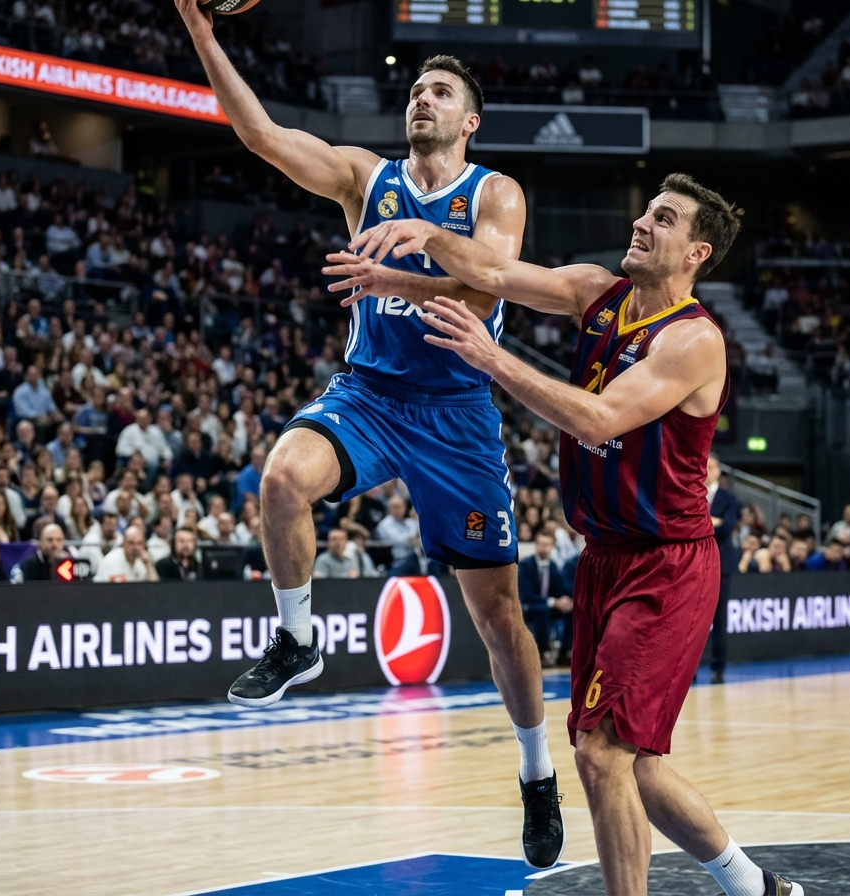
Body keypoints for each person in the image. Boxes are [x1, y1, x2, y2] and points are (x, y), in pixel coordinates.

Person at [347, 174, 801, 894]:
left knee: (599, 756)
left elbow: (597, 419)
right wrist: (416, 251)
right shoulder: (597, 291)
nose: (643, 224)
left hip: (665, 567)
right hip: (603, 560)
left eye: (664, 219)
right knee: (636, 766)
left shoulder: (693, 342)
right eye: (646, 210)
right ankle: (758, 889)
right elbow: (495, 272)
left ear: (696, 252)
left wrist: (492, 359)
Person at [174, 16, 556, 856]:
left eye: (441, 92)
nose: (423, 98)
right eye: (417, 89)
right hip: (372, 395)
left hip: (457, 412)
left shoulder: (495, 193)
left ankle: (536, 770)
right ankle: (297, 640)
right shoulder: (365, 177)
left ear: (469, 122)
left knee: (498, 622)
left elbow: (487, 292)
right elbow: (261, 135)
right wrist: (200, 28)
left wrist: (403, 262)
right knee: (281, 478)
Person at [704, 454, 739, 684]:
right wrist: (711, 521)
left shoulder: (729, 498)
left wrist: (703, 522)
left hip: (722, 564)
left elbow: (727, 526)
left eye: (710, 466)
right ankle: (688, 670)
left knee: (719, 620)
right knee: (689, 621)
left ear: (718, 470)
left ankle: (718, 669)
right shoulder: (689, 493)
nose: (706, 470)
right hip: (694, 564)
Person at [517, 530, 573, 667]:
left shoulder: (553, 566)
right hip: (528, 606)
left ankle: (565, 652)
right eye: (541, 544)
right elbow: (526, 595)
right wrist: (553, 602)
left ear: (553, 546)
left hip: (547, 606)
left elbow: (560, 589)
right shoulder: (525, 565)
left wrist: (566, 600)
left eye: (547, 544)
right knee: (542, 610)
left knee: (571, 610)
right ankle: (542, 653)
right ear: (536, 545)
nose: (544, 548)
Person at [94, 524, 159, 582]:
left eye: (139, 543)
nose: (136, 548)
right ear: (124, 544)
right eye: (131, 543)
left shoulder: (142, 561)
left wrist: (148, 565)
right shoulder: (112, 560)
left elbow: (154, 587)